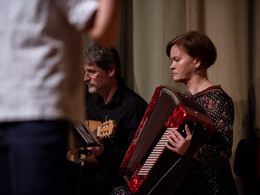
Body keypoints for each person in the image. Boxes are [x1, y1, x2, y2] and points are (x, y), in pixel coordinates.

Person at [0, 1, 120, 195]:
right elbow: (104, 31)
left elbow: (102, 33)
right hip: (29, 108)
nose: (86, 77)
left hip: (33, 108)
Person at [164, 30, 237, 194]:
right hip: (183, 181)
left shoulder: (216, 99)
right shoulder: (183, 99)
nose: (171, 66)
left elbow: (224, 152)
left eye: (177, 60)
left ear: (197, 61)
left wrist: (193, 150)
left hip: (209, 186)